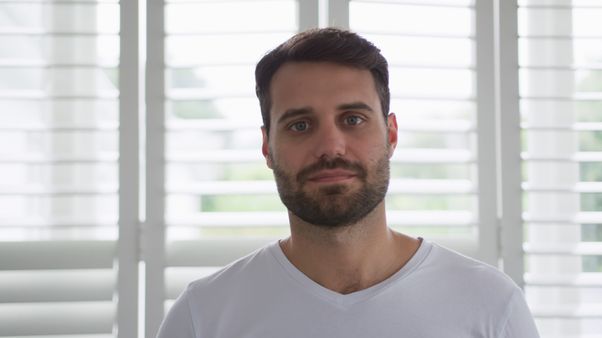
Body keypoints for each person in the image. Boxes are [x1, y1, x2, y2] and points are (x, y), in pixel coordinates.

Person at [156, 28, 539, 338]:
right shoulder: (202, 316)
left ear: (391, 135)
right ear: (267, 146)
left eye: (353, 119)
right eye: (300, 125)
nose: (330, 147)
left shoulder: (490, 304)